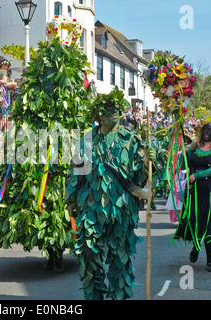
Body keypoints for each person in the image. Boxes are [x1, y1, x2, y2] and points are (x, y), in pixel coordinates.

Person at [66, 88, 155, 300]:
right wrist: (71, 200)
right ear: (99, 115)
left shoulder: (131, 140)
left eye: (116, 108)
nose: (113, 111)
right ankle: (94, 295)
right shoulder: (87, 140)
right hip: (90, 207)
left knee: (120, 258)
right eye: (108, 108)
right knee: (89, 255)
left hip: (122, 208)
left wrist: (148, 160)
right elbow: (76, 172)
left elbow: (141, 179)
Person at [172, 120, 211, 272]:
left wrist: (197, 175)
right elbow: (183, 163)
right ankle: (196, 248)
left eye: (210, 130)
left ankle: (210, 260)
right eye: (204, 130)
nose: (207, 132)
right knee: (195, 222)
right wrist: (181, 156)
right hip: (195, 193)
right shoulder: (193, 148)